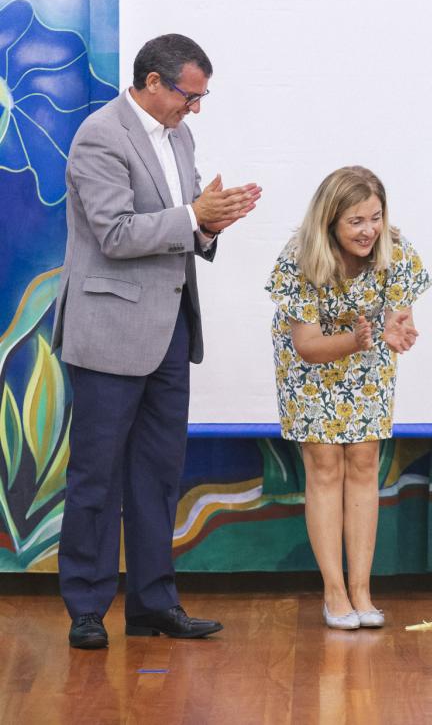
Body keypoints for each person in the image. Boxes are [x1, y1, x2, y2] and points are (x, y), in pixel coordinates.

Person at [52, 34, 261, 649]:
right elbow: (115, 234)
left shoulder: (180, 136)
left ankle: (153, 603)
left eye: (200, 98)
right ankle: (87, 609)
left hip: (170, 329)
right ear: (151, 82)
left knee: (158, 475)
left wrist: (211, 224)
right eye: (187, 96)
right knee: (96, 477)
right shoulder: (99, 136)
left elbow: (182, 225)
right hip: (108, 331)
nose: (193, 109)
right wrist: (194, 216)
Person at [266, 165, 430, 629]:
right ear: (330, 221)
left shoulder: (396, 251)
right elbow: (308, 345)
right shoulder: (299, 257)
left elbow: (398, 317)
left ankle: (361, 590)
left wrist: (396, 330)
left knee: (363, 460)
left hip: (367, 355)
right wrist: (357, 341)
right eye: (356, 221)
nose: (368, 230)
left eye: (375, 218)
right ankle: (334, 592)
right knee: (324, 465)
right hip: (311, 365)